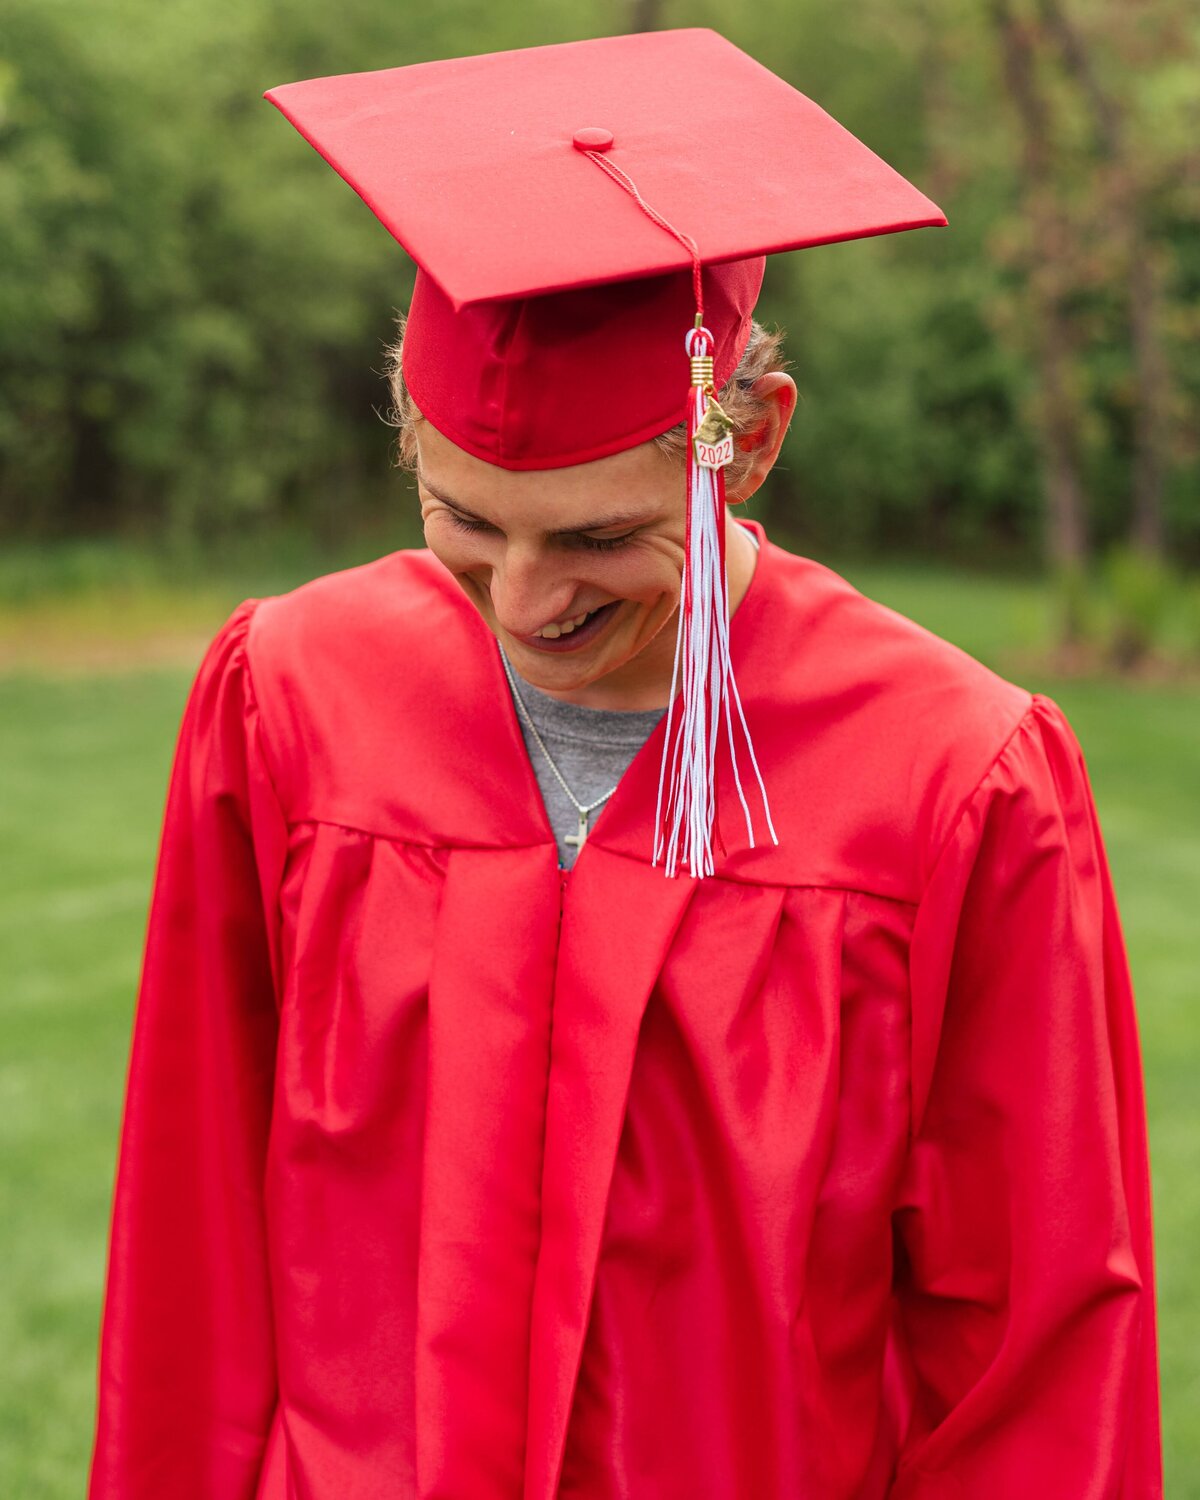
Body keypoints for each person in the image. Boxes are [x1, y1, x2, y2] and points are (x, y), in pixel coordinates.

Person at [88, 28, 1162, 1500]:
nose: (526, 603)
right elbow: (190, 1253)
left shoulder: (953, 780)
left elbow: (1034, 1359)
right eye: (466, 521)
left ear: (753, 441)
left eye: (596, 535)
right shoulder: (288, 698)